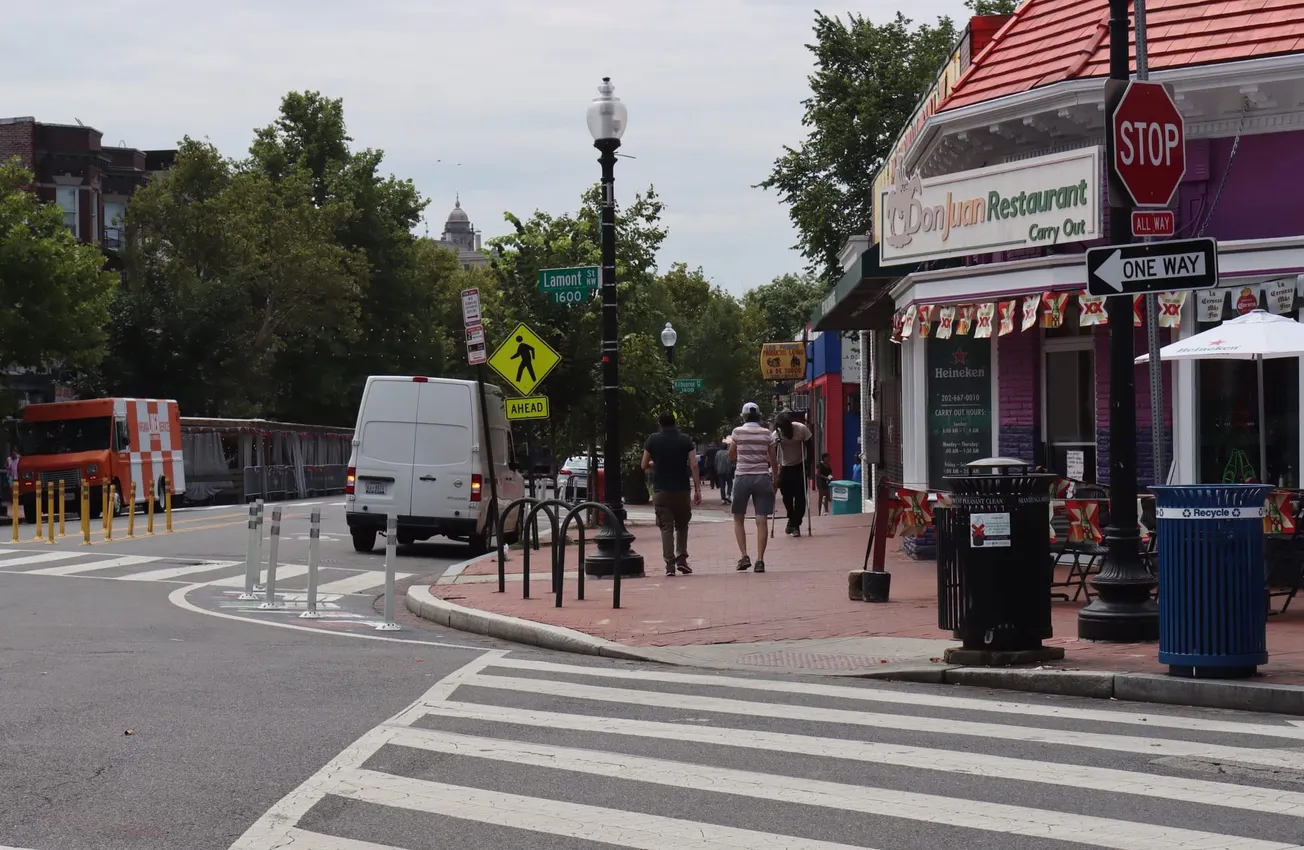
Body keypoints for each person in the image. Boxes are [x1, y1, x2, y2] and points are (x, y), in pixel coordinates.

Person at [641, 411, 701, 577]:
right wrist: (697, 489)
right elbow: (694, 465)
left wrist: (657, 463)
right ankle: (682, 558)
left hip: (661, 490)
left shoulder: (653, 439)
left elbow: (643, 464)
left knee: (666, 528)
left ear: (659, 424)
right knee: (682, 525)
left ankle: (669, 565)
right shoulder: (685, 439)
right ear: (675, 423)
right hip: (682, 489)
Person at [729, 402, 777, 572]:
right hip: (762, 477)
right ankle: (760, 560)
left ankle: (744, 556)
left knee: (738, 517)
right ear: (759, 416)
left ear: (744, 416)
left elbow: (731, 455)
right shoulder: (767, 433)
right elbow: (773, 458)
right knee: (761, 519)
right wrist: (775, 478)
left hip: (742, 477)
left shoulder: (737, 432)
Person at [773, 412, 813, 536]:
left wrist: (808, 466)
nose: (784, 431)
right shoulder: (777, 434)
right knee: (787, 497)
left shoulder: (801, 429)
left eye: (785, 427)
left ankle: (795, 525)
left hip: (800, 466)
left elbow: (810, 448)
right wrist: (775, 472)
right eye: (781, 428)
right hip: (785, 467)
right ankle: (792, 520)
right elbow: (772, 454)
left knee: (800, 498)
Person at [715, 436, 734, 504]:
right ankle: (728, 494)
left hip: (720, 471)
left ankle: (723, 498)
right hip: (728, 471)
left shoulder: (718, 453)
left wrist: (716, 469)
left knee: (722, 485)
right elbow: (731, 461)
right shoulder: (728, 452)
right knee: (730, 483)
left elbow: (716, 462)